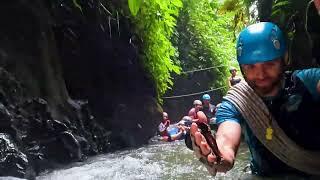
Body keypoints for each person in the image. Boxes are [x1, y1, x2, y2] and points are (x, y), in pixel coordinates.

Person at [189, 22, 320, 177]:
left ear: (284, 59)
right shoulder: (236, 102)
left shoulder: (308, 81)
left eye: (269, 64)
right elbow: (226, 141)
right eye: (251, 67)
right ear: (242, 68)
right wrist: (216, 155)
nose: (261, 75)